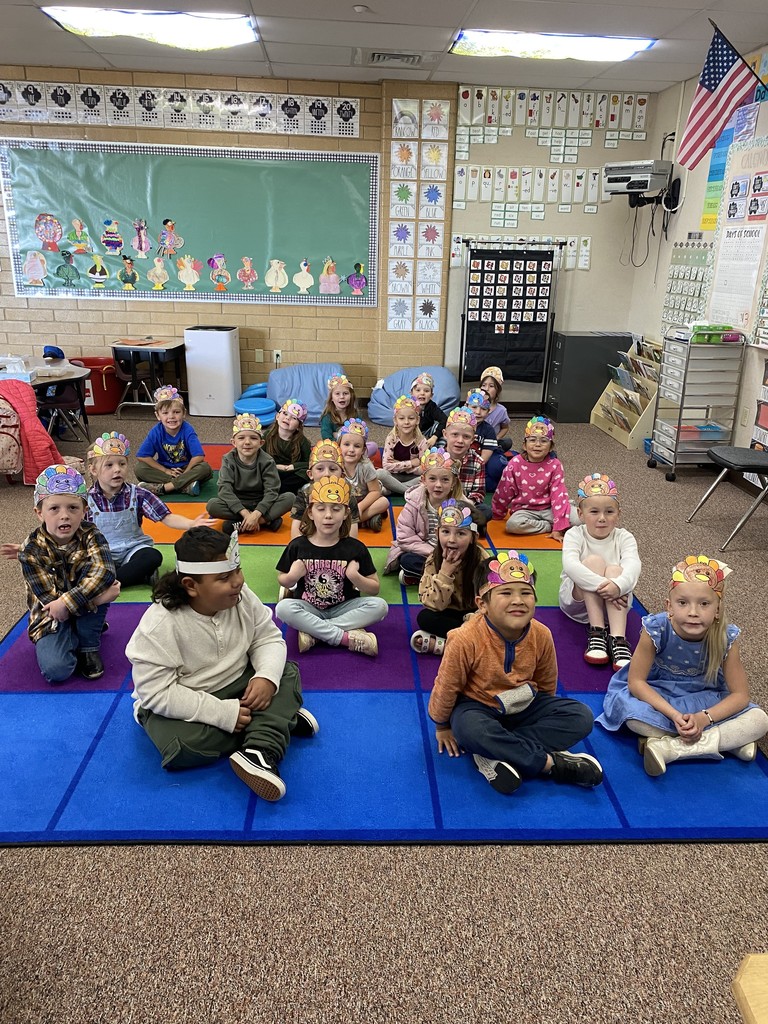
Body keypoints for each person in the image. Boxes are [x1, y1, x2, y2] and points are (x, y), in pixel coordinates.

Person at [126, 527, 317, 801]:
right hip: (189, 697)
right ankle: (274, 719)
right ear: (191, 585)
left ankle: (260, 750)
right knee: (181, 747)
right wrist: (220, 714)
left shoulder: (241, 596)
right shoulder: (159, 625)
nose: (238, 581)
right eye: (224, 577)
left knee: (282, 672)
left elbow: (268, 639)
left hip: (239, 683)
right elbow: (155, 693)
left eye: (238, 570)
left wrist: (264, 678)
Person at [428, 550, 604, 795]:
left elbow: (546, 683)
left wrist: (544, 713)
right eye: (506, 592)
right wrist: (441, 725)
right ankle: (549, 764)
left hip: (524, 706)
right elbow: (447, 685)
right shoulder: (464, 638)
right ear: (482, 604)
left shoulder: (542, 634)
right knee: (469, 729)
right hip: (478, 708)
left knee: (582, 716)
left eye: (526, 593)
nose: (518, 600)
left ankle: (494, 752)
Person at [597, 555, 768, 777]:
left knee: (760, 720)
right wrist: (675, 715)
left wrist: (703, 718)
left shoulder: (726, 637)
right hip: (659, 694)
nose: (693, 612)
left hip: (705, 697)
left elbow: (740, 695)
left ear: (717, 609)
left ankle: (669, 748)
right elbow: (636, 682)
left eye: (704, 604)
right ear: (669, 606)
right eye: (683, 603)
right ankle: (725, 741)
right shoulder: (656, 628)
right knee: (634, 719)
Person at [17, 465, 119, 683]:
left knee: (95, 577)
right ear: (39, 513)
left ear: (84, 511)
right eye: (54, 509)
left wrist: (69, 602)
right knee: (57, 671)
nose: (65, 516)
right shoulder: (31, 549)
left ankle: (88, 646)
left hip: (69, 604)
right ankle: (79, 632)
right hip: (50, 616)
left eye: (73, 508)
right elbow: (51, 605)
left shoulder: (91, 533)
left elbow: (104, 571)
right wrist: (99, 599)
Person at [276, 475, 388, 657]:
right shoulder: (298, 545)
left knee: (380, 606)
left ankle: (316, 634)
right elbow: (282, 579)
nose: (328, 515)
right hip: (309, 607)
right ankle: (344, 637)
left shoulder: (355, 547)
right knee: (283, 608)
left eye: (336, 509)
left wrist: (356, 578)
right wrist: (292, 577)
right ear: (311, 513)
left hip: (344, 607)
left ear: (345, 514)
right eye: (321, 509)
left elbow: (374, 588)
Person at [85, 430, 213, 587]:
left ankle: (108, 582)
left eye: (122, 464)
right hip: (100, 553)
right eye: (109, 465)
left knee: (152, 556)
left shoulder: (138, 494)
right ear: (93, 470)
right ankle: (134, 576)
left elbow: (166, 516)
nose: (117, 469)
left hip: (132, 549)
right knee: (78, 563)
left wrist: (191, 524)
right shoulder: (85, 501)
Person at [559, 473, 641, 671]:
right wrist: (604, 587)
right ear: (580, 514)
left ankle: (618, 638)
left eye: (609, 512)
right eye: (594, 512)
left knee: (615, 569)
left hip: (615, 604)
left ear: (618, 514)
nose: (602, 518)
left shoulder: (625, 537)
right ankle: (596, 632)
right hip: (577, 603)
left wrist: (618, 585)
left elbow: (633, 566)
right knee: (593, 562)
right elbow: (570, 565)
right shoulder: (574, 534)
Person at [409, 499, 486, 656]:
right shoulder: (433, 559)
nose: (451, 539)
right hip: (447, 614)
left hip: (476, 614)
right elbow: (431, 603)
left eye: (461, 533)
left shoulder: (481, 560)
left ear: (473, 537)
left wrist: (473, 619)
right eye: (445, 532)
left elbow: (490, 603)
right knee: (425, 618)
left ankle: (446, 646)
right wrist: (445, 573)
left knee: (495, 624)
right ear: (437, 533)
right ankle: (469, 645)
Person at [491, 416, 578, 542]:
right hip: (525, 510)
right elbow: (504, 490)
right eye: (532, 440)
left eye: (543, 441)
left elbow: (558, 493)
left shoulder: (555, 465)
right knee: (513, 525)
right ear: (524, 445)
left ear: (550, 447)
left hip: (550, 508)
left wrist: (559, 527)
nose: (537, 445)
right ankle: (548, 525)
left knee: (580, 519)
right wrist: (498, 513)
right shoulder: (515, 463)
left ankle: (563, 514)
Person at [384, 446, 463, 586]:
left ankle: (425, 576)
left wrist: (451, 553)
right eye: (432, 479)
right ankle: (447, 576)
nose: (438, 485)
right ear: (423, 480)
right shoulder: (413, 504)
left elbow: (466, 537)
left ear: (453, 484)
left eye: (445, 480)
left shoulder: (460, 507)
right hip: (422, 552)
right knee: (407, 560)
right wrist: (433, 553)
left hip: (450, 553)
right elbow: (404, 538)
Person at [206, 413, 294, 535]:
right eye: (241, 438)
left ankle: (249, 523)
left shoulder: (267, 461)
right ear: (233, 442)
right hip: (238, 502)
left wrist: (257, 513)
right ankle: (267, 521)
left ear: (261, 443)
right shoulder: (228, 459)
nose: (247, 442)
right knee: (212, 506)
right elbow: (224, 489)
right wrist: (245, 513)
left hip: (261, 501)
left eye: (253, 438)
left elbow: (272, 491)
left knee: (290, 498)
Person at [135, 386, 212, 496]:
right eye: (165, 413)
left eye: (176, 412)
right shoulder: (156, 432)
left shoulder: (187, 429)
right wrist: (165, 471)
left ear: (183, 413)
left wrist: (185, 473)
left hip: (186, 468)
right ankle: (185, 486)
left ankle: (165, 488)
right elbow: (142, 456)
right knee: (140, 469)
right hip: (165, 470)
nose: (171, 417)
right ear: (158, 416)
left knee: (205, 469)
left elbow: (199, 456)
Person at [290, 439, 360, 540]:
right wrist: (298, 549)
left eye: (332, 469)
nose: (326, 474)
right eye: (320, 469)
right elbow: (296, 525)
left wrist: (349, 551)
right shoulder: (305, 492)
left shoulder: (347, 494)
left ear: (342, 475)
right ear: (310, 474)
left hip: (338, 541)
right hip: (311, 541)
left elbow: (352, 528)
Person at [442, 407, 490, 528]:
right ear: (445, 434)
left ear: (472, 439)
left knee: (486, 511)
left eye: (466, 437)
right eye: (455, 435)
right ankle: (467, 525)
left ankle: (462, 521)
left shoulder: (477, 461)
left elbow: (478, 493)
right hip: (440, 501)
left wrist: (469, 503)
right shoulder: (436, 458)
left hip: (465, 504)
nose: (460, 441)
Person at [339, 418, 389, 533]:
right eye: (346, 444)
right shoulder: (336, 466)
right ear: (339, 446)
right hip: (345, 503)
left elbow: (375, 491)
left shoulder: (366, 466)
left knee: (384, 502)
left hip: (365, 500)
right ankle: (364, 521)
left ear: (363, 450)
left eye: (357, 446)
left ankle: (353, 520)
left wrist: (360, 508)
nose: (351, 450)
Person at [377, 395, 428, 495]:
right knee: (379, 474)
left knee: (426, 480)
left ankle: (392, 490)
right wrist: (412, 463)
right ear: (395, 420)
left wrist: (397, 464)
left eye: (411, 418)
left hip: (413, 478)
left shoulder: (422, 441)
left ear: (417, 420)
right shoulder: (391, 438)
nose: (406, 422)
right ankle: (406, 491)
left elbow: (424, 469)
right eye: (401, 418)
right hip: (393, 475)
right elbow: (386, 466)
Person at [320, 372, 378, 458]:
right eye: (337, 394)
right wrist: (342, 441)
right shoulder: (327, 417)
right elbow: (327, 438)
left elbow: (361, 434)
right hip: (336, 449)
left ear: (351, 396)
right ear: (331, 398)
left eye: (345, 393)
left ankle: (353, 457)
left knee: (373, 446)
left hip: (352, 448)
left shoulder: (355, 414)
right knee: (323, 450)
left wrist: (337, 434)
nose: (342, 397)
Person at [262, 398, 311, 495]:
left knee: (306, 473)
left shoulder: (303, 441)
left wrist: (293, 466)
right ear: (277, 416)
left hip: (292, 473)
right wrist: (274, 466)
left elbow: (310, 463)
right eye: (285, 414)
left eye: (294, 418)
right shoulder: (268, 436)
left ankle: (280, 490)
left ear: (298, 426)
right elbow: (259, 456)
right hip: (272, 470)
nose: (287, 418)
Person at [464, 389, 508, 494]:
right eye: (474, 407)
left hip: (480, 462)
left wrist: (473, 472)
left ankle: (507, 454)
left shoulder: (488, 430)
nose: (478, 412)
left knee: (493, 474)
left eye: (483, 409)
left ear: (488, 412)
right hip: (462, 460)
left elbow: (484, 459)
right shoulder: (459, 424)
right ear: (466, 407)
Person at [410, 372, 447, 448]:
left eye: (426, 391)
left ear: (431, 395)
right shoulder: (409, 405)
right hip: (411, 433)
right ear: (411, 393)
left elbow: (444, 419)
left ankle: (438, 451)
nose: (422, 393)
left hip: (427, 434)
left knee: (442, 429)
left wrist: (434, 437)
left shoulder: (431, 406)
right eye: (418, 390)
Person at [479, 365, 511, 451]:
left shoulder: (501, 410)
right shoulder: (474, 406)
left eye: (491, 386)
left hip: (491, 441)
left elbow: (505, 427)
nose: (486, 389)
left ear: (498, 390)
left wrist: (496, 438)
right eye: (484, 385)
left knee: (508, 442)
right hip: (475, 440)